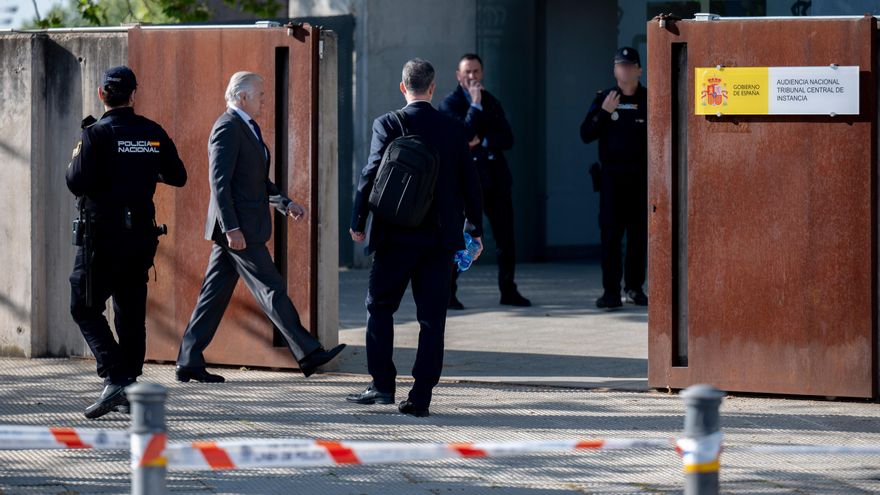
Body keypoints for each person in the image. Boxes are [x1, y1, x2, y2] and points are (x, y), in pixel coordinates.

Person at [175, 71, 344, 383]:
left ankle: (188, 360)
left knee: (213, 296)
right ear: (243, 97)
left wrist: (285, 203)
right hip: (239, 230)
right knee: (272, 288)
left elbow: (257, 181)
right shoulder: (227, 127)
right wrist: (231, 228)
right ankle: (308, 351)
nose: (265, 100)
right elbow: (219, 184)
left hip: (242, 228)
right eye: (261, 95)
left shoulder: (246, 127)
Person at [347, 59, 484, 417]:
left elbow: (370, 172)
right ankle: (420, 396)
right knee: (431, 318)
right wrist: (476, 231)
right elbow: (471, 183)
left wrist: (358, 219)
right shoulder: (453, 129)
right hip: (439, 239)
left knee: (379, 307)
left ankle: (381, 386)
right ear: (433, 87)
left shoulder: (388, 123)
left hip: (394, 234)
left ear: (402, 87)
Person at [66, 66, 188, 419]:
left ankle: (116, 376)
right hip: (140, 237)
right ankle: (130, 384)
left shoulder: (95, 134)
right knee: (130, 311)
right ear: (134, 94)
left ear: (102, 94)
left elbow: (74, 181)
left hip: (102, 237)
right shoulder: (152, 132)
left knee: (83, 306)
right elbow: (177, 176)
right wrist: (142, 170)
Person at [439, 53, 531, 309]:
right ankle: (449, 292)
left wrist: (484, 140)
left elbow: (508, 138)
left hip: (496, 181)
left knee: (505, 239)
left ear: (482, 73)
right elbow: (463, 136)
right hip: (466, 185)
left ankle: (508, 290)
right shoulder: (450, 104)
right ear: (458, 76)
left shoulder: (492, 102)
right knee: (461, 239)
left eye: (476, 71)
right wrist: (475, 107)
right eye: (467, 72)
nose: (472, 76)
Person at [580, 47, 649, 309]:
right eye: (620, 66)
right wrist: (605, 112)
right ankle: (610, 292)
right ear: (614, 70)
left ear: (639, 70)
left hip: (640, 179)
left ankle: (634, 288)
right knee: (610, 236)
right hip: (612, 180)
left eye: (630, 66)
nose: (625, 70)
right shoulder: (604, 98)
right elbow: (586, 134)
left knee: (637, 237)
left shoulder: (649, 99)